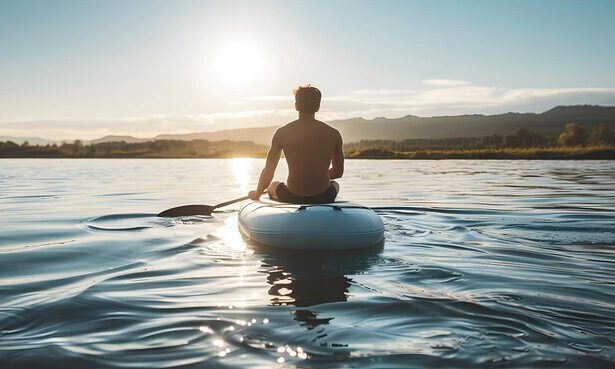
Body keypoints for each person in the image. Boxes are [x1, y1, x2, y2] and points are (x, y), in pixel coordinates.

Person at [248, 85, 344, 204]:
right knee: (335, 184)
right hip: (323, 196)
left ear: (296, 106)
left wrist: (257, 194)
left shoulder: (282, 133)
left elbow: (268, 171)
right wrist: (316, 176)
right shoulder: (334, 134)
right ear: (318, 107)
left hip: (292, 196)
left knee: (272, 185)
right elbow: (338, 172)